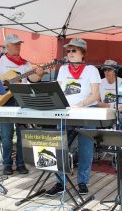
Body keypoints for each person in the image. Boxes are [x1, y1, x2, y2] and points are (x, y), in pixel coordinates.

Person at [45, 38, 101, 196]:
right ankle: (60, 182)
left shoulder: (92, 70)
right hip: (65, 113)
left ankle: (83, 182)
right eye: (68, 51)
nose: (70, 53)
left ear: (83, 53)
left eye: (74, 50)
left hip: (86, 112)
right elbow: (57, 90)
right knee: (60, 146)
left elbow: (96, 95)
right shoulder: (62, 69)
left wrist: (80, 104)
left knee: (85, 148)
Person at [0, 34, 44, 175]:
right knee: (6, 136)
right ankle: (6, 164)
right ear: (8, 45)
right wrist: (1, 85)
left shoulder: (24, 63)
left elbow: (33, 78)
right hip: (4, 101)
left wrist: (40, 74)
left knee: (21, 134)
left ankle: (20, 163)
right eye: (15, 44)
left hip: (21, 100)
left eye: (19, 44)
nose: (18, 46)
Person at [97, 59, 122, 129]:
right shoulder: (100, 83)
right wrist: (104, 105)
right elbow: (97, 101)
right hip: (105, 111)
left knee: (117, 121)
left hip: (120, 113)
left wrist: (118, 110)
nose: (106, 72)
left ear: (115, 71)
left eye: (109, 70)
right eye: (105, 70)